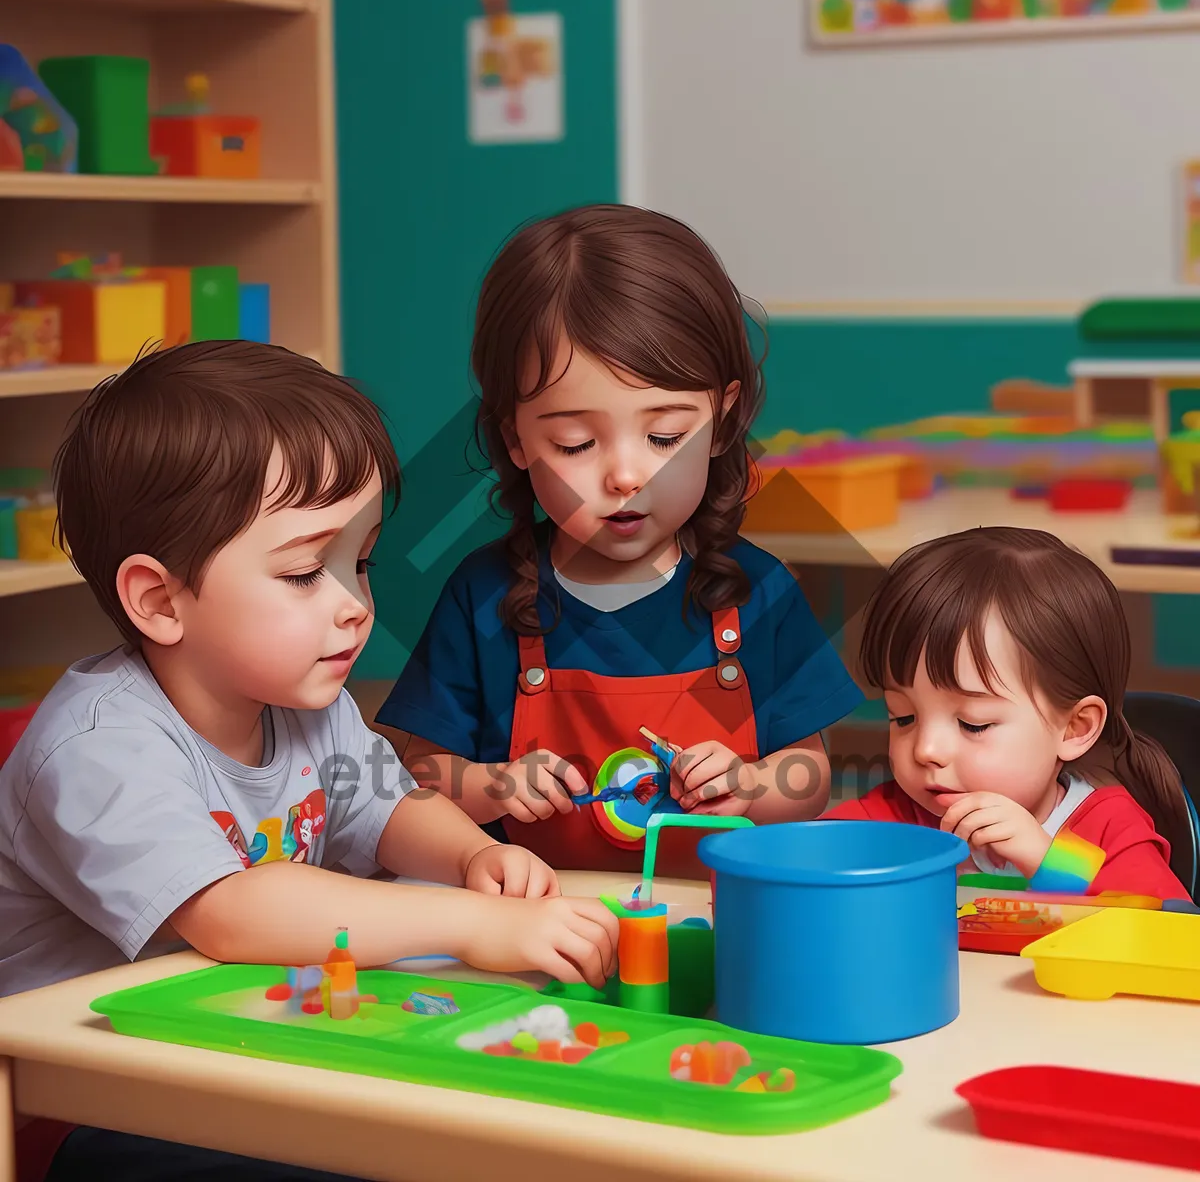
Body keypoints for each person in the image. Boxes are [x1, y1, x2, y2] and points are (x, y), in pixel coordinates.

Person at [0, 341, 618, 1182]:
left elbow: (389, 807)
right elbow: (232, 914)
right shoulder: (98, 751)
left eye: (357, 563)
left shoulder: (305, 706)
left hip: (246, 1048)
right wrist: (475, 924)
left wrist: (472, 856)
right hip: (90, 1103)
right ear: (158, 600)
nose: (354, 606)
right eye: (302, 574)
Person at [376, 204, 864, 880]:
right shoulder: (482, 596)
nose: (627, 476)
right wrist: (495, 786)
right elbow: (421, 776)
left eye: (664, 435)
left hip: (719, 921)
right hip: (538, 923)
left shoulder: (759, 591)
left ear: (721, 421)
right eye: (575, 442)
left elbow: (809, 773)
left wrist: (750, 789)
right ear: (515, 438)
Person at [825, 526, 1193, 902]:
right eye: (903, 717)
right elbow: (807, 863)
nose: (926, 749)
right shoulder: (896, 817)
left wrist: (1048, 860)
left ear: (1073, 728)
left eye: (973, 723)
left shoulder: (1106, 825)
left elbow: (1170, 926)